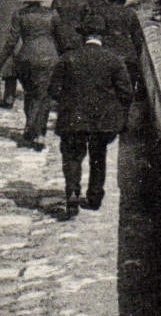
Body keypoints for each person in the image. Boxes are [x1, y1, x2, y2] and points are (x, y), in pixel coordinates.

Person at [48, 17, 133, 218]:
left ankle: (72, 192)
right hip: (102, 119)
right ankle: (94, 197)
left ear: (83, 36)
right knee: (98, 156)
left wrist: (68, 101)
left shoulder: (69, 58)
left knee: (72, 156)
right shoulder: (113, 59)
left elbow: (53, 90)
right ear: (102, 37)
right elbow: (126, 93)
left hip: (73, 117)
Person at [0, 0, 63, 150]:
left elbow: (12, 41)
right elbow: (61, 38)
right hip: (49, 58)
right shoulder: (52, 14)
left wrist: (0, 62)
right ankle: (39, 132)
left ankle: (30, 125)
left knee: (30, 93)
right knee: (44, 96)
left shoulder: (19, 14)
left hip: (25, 57)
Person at [99, 0, 143, 96]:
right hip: (127, 54)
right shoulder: (130, 14)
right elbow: (137, 38)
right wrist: (137, 54)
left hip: (107, 53)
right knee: (128, 88)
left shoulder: (102, 13)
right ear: (123, 1)